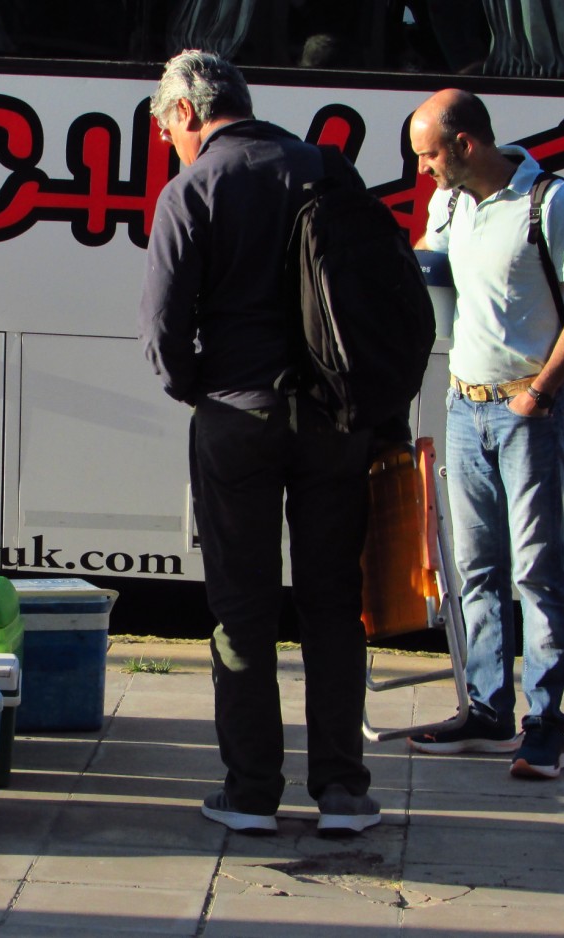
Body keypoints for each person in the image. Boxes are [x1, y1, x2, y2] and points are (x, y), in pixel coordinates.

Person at [139, 49, 380, 836]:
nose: (171, 145)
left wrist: (204, 389)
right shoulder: (328, 171)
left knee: (241, 609)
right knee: (333, 605)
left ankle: (250, 793)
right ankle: (342, 792)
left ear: (184, 113)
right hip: (335, 422)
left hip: (237, 419)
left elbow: (165, 335)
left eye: (167, 130)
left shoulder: (193, 189)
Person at [407, 89, 564, 778]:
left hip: (527, 412)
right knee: (479, 569)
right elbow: (427, 269)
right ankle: (487, 709)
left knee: (536, 572)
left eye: (429, 155)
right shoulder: (451, 202)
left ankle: (545, 722)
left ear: (464, 145)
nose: (424, 170)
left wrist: (540, 393)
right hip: (465, 405)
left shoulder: (549, 201)